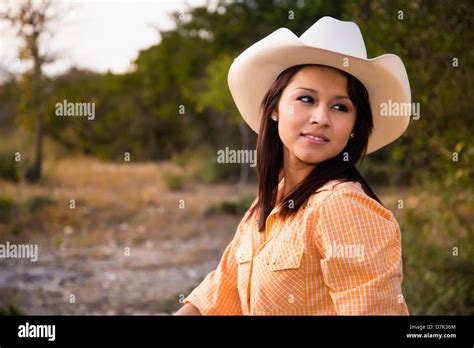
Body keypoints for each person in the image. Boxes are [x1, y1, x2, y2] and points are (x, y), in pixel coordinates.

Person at [175, 16, 411, 315]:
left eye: (340, 106)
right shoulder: (267, 202)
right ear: (274, 108)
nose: (321, 118)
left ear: (354, 125)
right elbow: (220, 294)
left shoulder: (344, 205)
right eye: (306, 99)